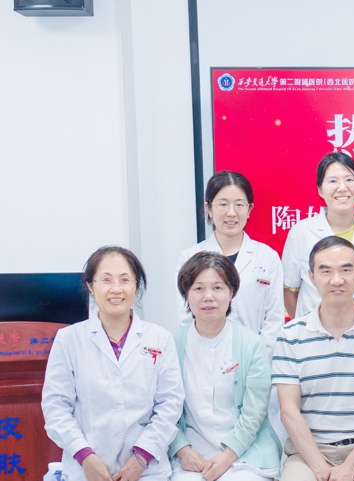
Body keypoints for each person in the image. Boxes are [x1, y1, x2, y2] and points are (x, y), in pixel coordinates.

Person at [43, 246, 184, 481]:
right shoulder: (68, 339)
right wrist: (85, 456)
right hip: (85, 470)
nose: (116, 289)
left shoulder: (160, 339)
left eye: (125, 280)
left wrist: (141, 458)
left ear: (136, 285)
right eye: (106, 280)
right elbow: (55, 407)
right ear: (90, 285)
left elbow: (170, 405)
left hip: (147, 470)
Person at [273, 236, 354, 481]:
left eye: (346, 269)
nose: (337, 279)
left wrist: (351, 467)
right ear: (311, 277)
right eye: (326, 271)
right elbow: (288, 410)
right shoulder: (291, 335)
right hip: (308, 452)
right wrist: (321, 470)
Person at [169, 252, 281, 481]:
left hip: (245, 452)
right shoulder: (172, 344)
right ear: (186, 294)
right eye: (198, 288)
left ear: (231, 292)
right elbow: (164, 406)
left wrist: (228, 455)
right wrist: (181, 448)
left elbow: (254, 412)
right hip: (191, 452)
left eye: (217, 288)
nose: (208, 297)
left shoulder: (251, 344)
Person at [178, 170, 285, 351]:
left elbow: (274, 319)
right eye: (223, 204)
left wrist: (257, 357)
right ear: (209, 209)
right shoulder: (189, 258)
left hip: (256, 356)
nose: (231, 213)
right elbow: (186, 317)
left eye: (239, 204)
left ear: (249, 209)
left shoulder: (268, 257)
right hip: (204, 356)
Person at [281, 152, 354, 317]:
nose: (342, 188)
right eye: (333, 181)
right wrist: (304, 325)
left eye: (349, 179)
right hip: (313, 330)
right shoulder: (301, 232)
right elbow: (290, 290)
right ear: (320, 190)